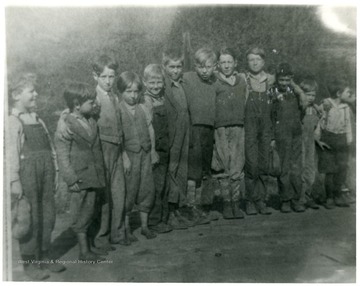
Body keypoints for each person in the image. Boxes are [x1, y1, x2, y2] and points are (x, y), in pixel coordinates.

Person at [57, 54, 127, 249]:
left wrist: (124, 152)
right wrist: (62, 120)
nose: (108, 81)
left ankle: (118, 232)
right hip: (100, 150)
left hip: (117, 150)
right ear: (95, 76)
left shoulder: (114, 96)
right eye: (104, 77)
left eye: (111, 77)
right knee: (102, 197)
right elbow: (71, 110)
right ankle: (100, 236)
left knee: (119, 192)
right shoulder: (92, 95)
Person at [8, 73, 65, 280]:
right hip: (27, 176)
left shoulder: (38, 119)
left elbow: (50, 148)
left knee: (48, 215)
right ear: (16, 95)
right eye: (31, 91)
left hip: (46, 172)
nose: (36, 94)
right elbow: (11, 155)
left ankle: (45, 255)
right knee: (30, 218)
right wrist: (14, 181)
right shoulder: (13, 121)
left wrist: (56, 171)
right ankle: (30, 261)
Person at [55, 81, 106, 262]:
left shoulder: (90, 119)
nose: (94, 105)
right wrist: (71, 179)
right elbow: (62, 154)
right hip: (80, 177)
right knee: (80, 213)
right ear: (76, 104)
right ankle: (84, 252)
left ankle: (89, 247)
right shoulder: (66, 124)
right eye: (90, 102)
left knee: (90, 210)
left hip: (94, 175)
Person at [117, 71, 157, 240]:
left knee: (146, 188)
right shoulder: (118, 110)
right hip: (130, 156)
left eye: (136, 91)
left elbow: (150, 129)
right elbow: (118, 137)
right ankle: (126, 228)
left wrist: (153, 151)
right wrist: (124, 156)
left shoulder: (143, 108)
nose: (133, 95)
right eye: (129, 91)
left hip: (145, 153)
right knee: (129, 190)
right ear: (121, 92)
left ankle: (144, 226)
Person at [183, 47, 221, 221]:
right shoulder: (187, 78)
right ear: (195, 66)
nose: (205, 71)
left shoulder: (216, 81)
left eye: (209, 67)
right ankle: (189, 206)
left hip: (209, 130)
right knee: (193, 170)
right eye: (201, 67)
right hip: (193, 130)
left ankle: (201, 205)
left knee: (206, 169)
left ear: (215, 66)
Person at [161, 48, 198, 229]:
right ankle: (169, 211)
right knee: (172, 170)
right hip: (172, 134)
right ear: (164, 67)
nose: (175, 70)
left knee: (182, 170)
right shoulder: (163, 86)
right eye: (171, 67)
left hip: (185, 132)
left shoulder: (184, 84)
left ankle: (178, 208)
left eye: (178, 67)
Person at [212, 47, 247, 219]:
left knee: (237, 164)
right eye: (223, 62)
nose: (226, 66)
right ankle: (226, 204)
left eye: (229, 62)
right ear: (218, 64)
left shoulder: (242, 81)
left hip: (239, 127)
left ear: (235, 63)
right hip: (220, 128)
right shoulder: (214, 81)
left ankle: (236, 203)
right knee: (223, 163)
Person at [240, 47, 275, 215]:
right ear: (247, 62)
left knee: (263, 162)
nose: (254, 62)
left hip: (266, 128)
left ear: (264, 61)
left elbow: (290, 83)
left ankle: (261, 200)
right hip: (250, 128)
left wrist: (301, 94)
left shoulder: (271, 80)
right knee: (251, 163)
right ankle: (249, 200)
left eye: (258, 59)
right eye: (251, 60)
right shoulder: (243, 78)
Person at [269, 63, 305, 213]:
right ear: (277, 79)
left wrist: (299, 91)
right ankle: (285, 199)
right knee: (284, 168)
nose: (284, 83)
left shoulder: (296, 92)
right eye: (281, 80)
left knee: (296, 167)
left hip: (296, 133)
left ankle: (296, 199)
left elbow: (304, 107)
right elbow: (270, 116)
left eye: (287, 80)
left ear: (291, 79)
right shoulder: (272, 92)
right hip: (281, 134)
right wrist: (272, 136)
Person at [143, 64, 173, 234]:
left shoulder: (163, 98)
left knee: (166, 185)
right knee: (156, 186)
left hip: (166, 148)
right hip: (156, 151)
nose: (156, 86)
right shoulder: (146, 100)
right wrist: (152, 151)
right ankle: (154, 221)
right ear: (144, 82)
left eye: (159, 82)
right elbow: (148, 127)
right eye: (152, 83)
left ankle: (164, 218)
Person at [315, 78, 352, 209]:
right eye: (348, 92)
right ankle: (329, 196)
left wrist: (349, 140)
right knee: (329, 170)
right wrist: (318, 139)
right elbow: (319, 122)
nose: (350, 95)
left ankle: (338, 195)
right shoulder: (326, 104)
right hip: (328, 138)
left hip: (341, 139)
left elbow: (348, 124)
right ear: (338, 93)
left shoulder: (346, 107)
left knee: (342, 168)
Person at [298, 77, 322, 209]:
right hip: (300, 142)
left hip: (311, 143)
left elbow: (318, 124)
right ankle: (300, 197)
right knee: (300, 168)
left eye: (313, 95)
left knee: (310, 168)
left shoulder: (315, 109)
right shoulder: (298, 108)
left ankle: (308, 195)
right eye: (308, 95)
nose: (311, 98)